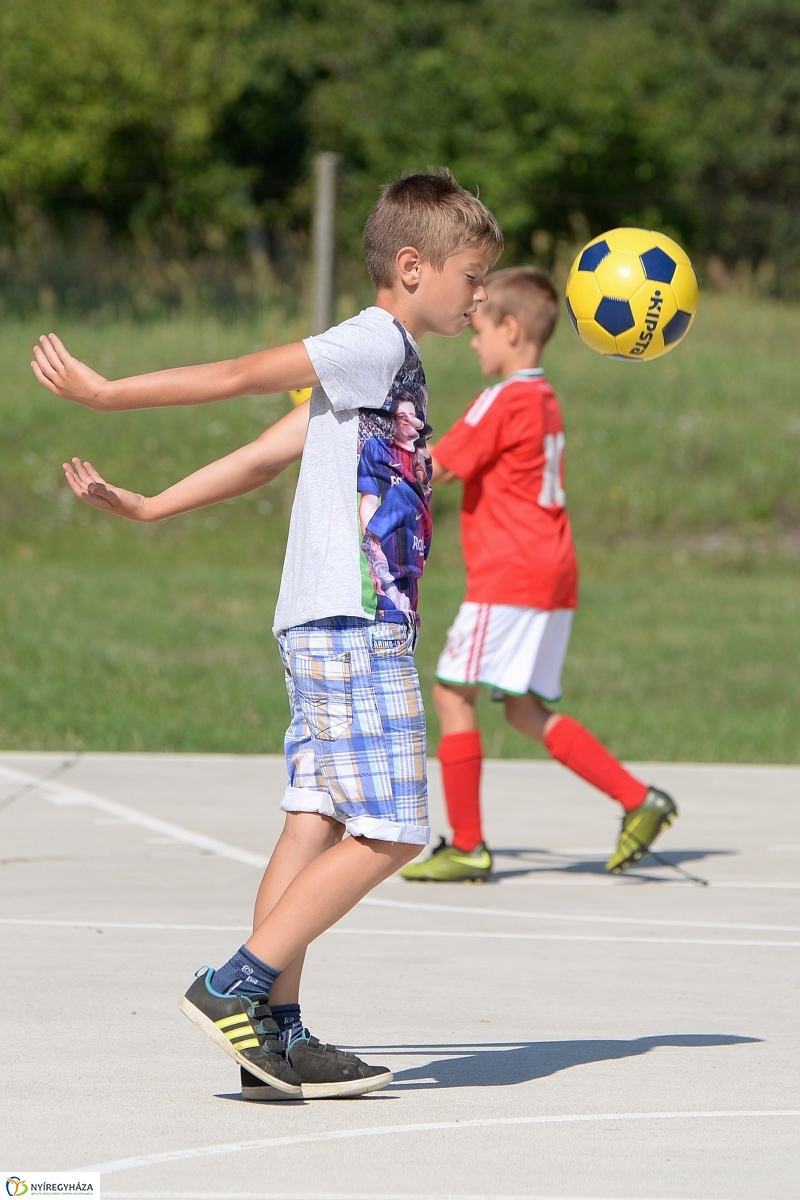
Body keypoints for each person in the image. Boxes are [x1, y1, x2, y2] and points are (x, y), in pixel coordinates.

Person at [31, 168, 504, 1100]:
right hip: (354, 621)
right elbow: (241, 375)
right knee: (394, 830)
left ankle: (273, 1038)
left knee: (314, 822)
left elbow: (263, 455)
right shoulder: (375, 342)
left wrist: (152, 505)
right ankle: (234, 986)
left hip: (321, 623)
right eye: (473, 276)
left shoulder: (374, 371)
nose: (480, 296)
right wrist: (107, 394)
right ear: (413, 266)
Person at [400, 267, 677, 884]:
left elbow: (435, 467)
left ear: (511, 329)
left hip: (511, 575)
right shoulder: (543, 396)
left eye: (478, 330)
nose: (472, 342)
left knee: (452, 694)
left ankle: (467, 845)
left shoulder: (501, 399)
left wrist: (370, 436)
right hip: (553, 573)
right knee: (523, 710)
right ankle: (637, 799)